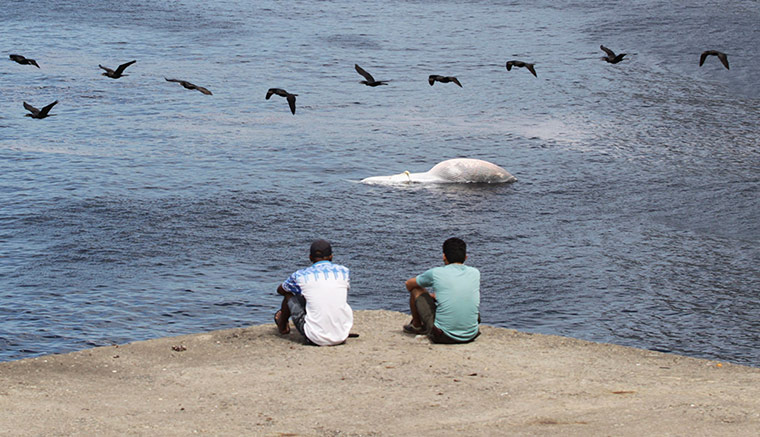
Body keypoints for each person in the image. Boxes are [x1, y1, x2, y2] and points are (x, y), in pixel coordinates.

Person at [274, 239, 353, 346]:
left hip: (315, 337)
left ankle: (282, 326)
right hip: (341, 334)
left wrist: (300, 290)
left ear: (310, 257)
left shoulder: (300, 275)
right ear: (331, 256)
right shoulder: (343, 271)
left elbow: (281, 290)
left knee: (290, 295)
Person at [403, 237, 480, 344]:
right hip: (472, 334)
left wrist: (427, 295)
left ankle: (416, 326)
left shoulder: (436, 273)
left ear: (444, 256)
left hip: (443, 336)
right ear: (466, 257)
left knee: (416, 290)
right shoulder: (475, 273)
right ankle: (466, 325)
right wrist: (438, 296)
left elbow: (408, 284)